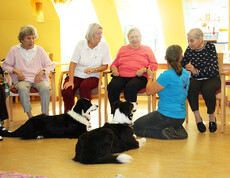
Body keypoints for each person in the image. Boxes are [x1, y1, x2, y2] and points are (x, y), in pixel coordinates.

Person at [133, 45, 190, 139]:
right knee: (146, 125)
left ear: (165, 58)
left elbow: (149, 91)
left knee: (135, 127)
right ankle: (175, 129)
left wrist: (150, 77)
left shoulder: (167, 75)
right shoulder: (185, 73)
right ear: (181, 58)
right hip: (180, 117)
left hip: (165, 116)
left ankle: (165, 133)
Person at [2, 24, 55, 119]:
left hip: (38, 79)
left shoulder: (40, 50)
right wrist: (16, 71)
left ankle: (44, 117)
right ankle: (31, 117)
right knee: (22, 89)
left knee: (45, 88)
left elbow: (50, 65)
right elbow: (5, 66)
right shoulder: (14, 50)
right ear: (22, 39)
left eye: (33, 38)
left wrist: (42, 71)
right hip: (22, 80)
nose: (32, 41)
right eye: (28, 38)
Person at [62, 23, 111, 112]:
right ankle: (69, 116)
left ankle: (84, 117)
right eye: (98, 33)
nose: (100, 36)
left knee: (85, 86)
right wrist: (70, 80)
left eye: (101, 33)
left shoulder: (104, 46)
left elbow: (105, 66)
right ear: (91, 34)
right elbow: (73, 63)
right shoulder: (81, 44)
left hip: (93, 76)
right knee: (67, 91)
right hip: (77, 75)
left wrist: (94, 69)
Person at [107, 27, 158, 112]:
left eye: (136, 36)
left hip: (139, 77)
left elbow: (154, 64)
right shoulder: (122, 49)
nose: (134, 39)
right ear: (128, 39)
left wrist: (144, 69)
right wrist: (114, 68)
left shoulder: (147, 49)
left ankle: (128, 114)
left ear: (141, 38)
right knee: (112, 86)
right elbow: (113, 64)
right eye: (132, 37)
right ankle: (115, 113)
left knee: (130, 87)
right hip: (122, 76)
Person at [181, 28, 220, 133]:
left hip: (212, 78)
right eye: (188, 41)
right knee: (189, 87)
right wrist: (182, 63)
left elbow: (213, 69)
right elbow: (182, 63)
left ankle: (212, 118)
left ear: (200, 39)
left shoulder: (210, 47)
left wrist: (195, 71)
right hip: (196, 79)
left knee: (207, 89)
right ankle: (198, 118)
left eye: (192, 40)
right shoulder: (189, 49)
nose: (189, 43)